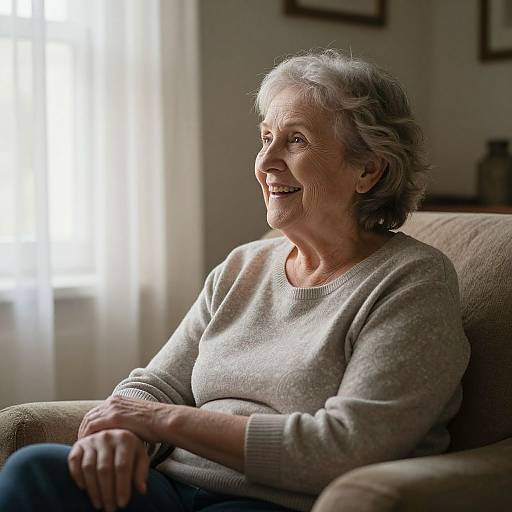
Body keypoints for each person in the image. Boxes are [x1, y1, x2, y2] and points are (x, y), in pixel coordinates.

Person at [0, 49, 470, 512]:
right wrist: (121, 433)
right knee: (35, 469)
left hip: (275, 503)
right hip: (171, 488)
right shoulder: (243, 267)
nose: (265, 162)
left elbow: (347, 447)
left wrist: (157, 421)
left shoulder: (412, 281)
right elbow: (156, 384)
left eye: (296, 140)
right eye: (266, 137)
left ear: (368, 170)